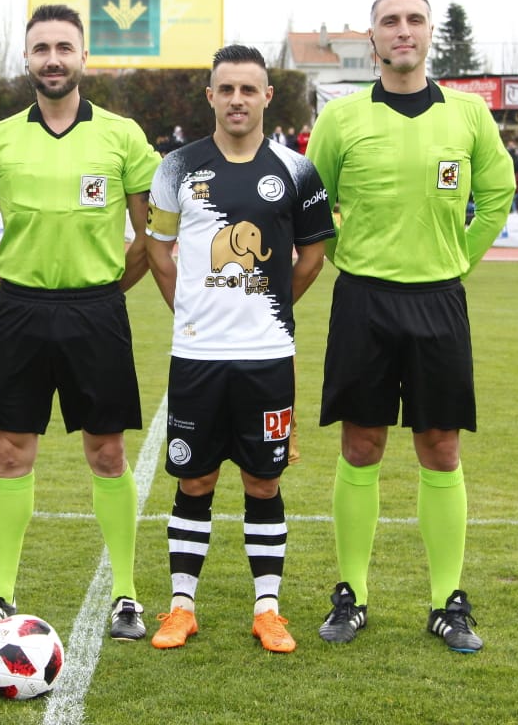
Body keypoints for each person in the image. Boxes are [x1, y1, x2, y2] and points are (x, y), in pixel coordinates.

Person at [306, 0, 514, 653]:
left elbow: (499, 190)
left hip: (439, 299)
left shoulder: (468, 115)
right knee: (360, 445)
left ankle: (446, 601)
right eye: (390, 21)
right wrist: (347, 256)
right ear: (371, 38)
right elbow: (314, 202)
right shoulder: (341, 119)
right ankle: (353, 595)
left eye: (415, 20)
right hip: (363, 299)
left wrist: (460, 260)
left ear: (429, 35)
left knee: (440, 447)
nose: (403, 30)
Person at [0, 4, 161, 643]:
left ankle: (126, 594)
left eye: (64, 47)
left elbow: (151, 229)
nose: (53, 58)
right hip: (20, 311)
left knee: (106, 451)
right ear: (27, 58)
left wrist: (108, 288)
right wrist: (20, 283)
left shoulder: (124, 136)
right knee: (11, 450)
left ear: (82, 58)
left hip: (97, 312)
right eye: (41, 47)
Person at [144, 45, 334, 653]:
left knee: (263, 481)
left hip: (268, 356)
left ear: (266, 96)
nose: (237, 100)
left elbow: (312, 255)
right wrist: (189, 310)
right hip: (197, 357)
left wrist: (273, 307)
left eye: (248, 90)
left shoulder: (297, 171)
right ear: (211, 96)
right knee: (194, 480)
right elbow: (157, 248)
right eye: (226, 89)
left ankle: (268, 610)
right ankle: (181, 607)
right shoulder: (176, 167)